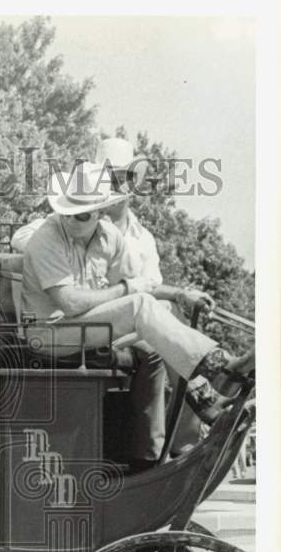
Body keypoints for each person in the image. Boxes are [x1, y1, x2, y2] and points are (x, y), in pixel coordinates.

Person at [22, 161, 253, 428]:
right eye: (67, 213)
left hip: (87, 327)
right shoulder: (45, 239)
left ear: (99, 211)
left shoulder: (110, 237)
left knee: (162, 321)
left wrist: (180, 294)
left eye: (82, 215)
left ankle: (201, 404)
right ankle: (221, 367)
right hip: (48, 334)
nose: (72, 220)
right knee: (140, 306)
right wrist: (127, 289)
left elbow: (141, 284)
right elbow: (71, 302)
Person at [95, 137, 211, 459]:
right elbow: (26, 237)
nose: (119, 185)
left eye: (126, 177)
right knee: (158, 340)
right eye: (111, 178)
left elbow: (155, 288)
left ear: (134, 183)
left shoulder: (143, 237)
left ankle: (181, 442)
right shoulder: (85, 224)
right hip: (100, 326)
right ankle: (156, 453)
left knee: (170, 323)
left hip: (138, 324)